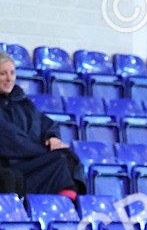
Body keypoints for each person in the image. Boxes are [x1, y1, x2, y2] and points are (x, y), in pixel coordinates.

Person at [0, 54, 86, 199]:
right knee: (60, 158)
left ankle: (68, 203)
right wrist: (44, 151)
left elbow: (44, 122)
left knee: (68, 157)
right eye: (3, 73)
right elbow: (11, 140)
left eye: (12, 73)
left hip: (32, 159)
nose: (9, 79)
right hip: (11, 164)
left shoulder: (21, 101)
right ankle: (65, 202)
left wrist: (51, 137)